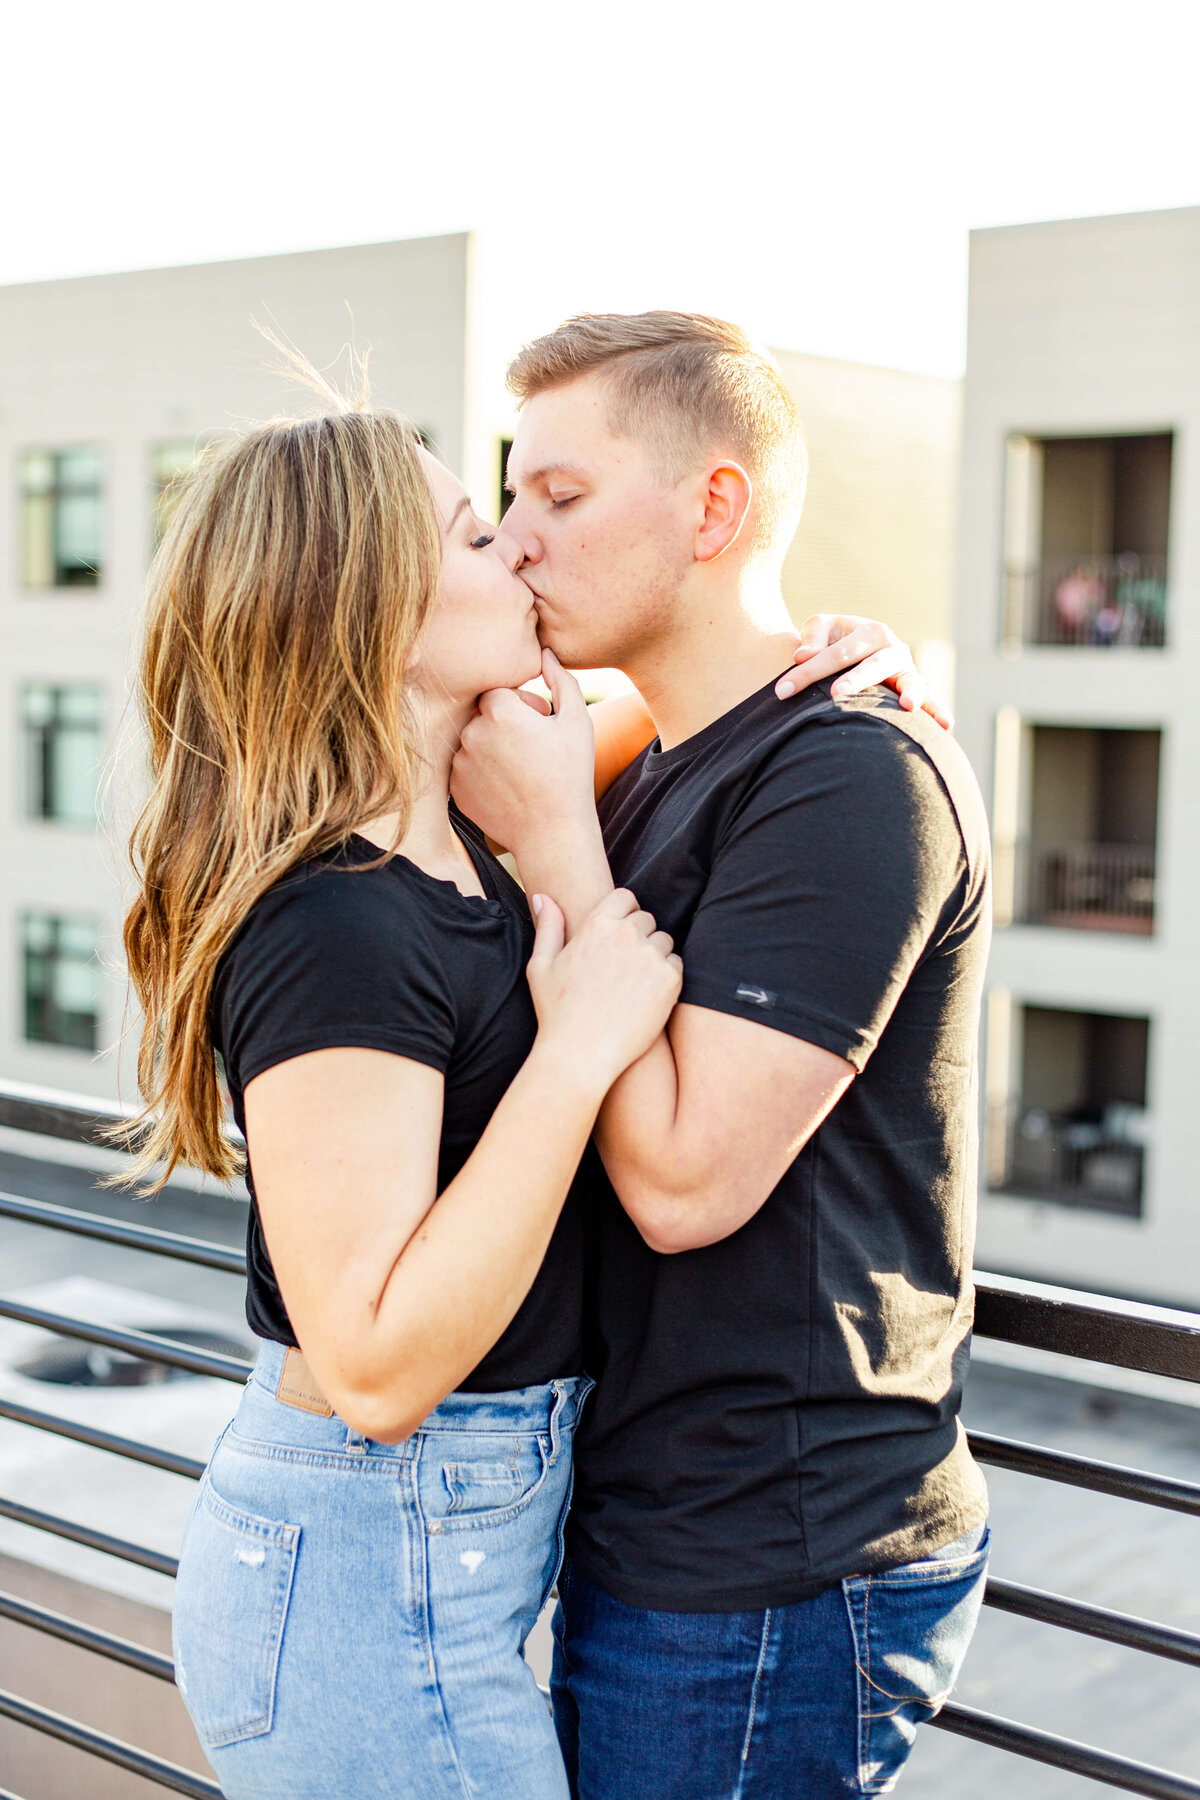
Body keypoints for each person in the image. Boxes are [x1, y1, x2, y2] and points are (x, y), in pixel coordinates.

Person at [450, 311, 993, 1800]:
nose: (519, 540)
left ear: (715, 507)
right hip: (656, 1527)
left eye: (561, 498)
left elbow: (687, 1186)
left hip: (777, 1553)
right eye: (510, 498)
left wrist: (560, 839)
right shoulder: (650, 754)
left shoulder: (851, 775)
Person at [117, 385, 684, 1800]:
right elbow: (370, 1364)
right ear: (374, 609)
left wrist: (856, 656)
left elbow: (692, 684)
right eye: (485, 538)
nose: (526, 563)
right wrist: (579, 1049)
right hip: (374, 1582)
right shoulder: (339, 926)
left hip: (437, 1562)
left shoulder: (461, 854)